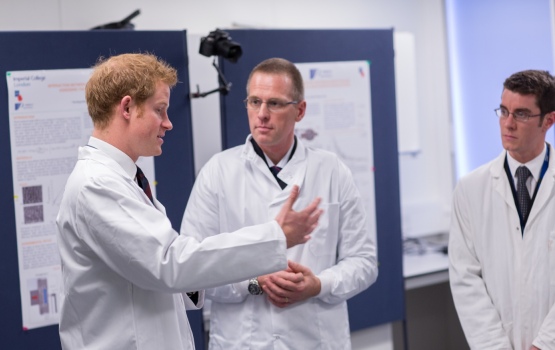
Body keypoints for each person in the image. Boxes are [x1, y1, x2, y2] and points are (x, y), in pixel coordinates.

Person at [55, 53, 322, 350]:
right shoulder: (97, 184)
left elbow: (162, 272)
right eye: (160, 110)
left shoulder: (124, 180)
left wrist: (251, 277)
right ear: (127, 107)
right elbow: (170, 263)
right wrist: (274, 236)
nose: (168, 124)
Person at [180, 57, 378, 349]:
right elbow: (190, 272)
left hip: (315, 340)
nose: (261, 114)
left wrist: (318, 285)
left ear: (300, 111)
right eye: (254, 101)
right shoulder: (218, 172)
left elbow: (365, 262)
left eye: (274, 103)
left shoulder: (331, 171)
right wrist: (253, 281)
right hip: (242, 341)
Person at [449, 70, 555, 350]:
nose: (508, 124)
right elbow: (465, 278)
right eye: (503, 111)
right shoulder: (471, 188)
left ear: (549, 120)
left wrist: (544, 344)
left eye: (521, 114)